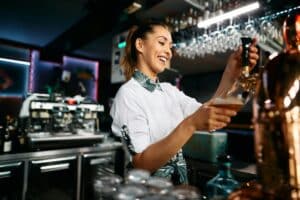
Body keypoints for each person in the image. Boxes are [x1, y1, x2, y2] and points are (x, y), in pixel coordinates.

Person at [110, 20, 259, 185]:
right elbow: (141, 163)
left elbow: (209, 112)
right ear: (140, 45)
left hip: (178, 189)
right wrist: (191, 124)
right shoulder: (129, 94)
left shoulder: (169, 91)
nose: (169, 51)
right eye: (162, 42)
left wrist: (231, 72)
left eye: (170, 46)